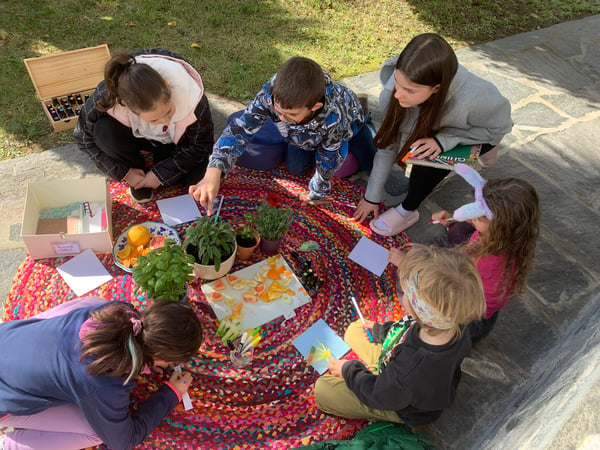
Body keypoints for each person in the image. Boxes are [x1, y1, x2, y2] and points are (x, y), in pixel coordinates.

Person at [353, 33, 513, 235]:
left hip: (481, 130)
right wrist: (371, 197)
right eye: (397, 83)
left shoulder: (479, 97)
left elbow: (499, 128)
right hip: (440, 129)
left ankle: (408, 210)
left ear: (437, 88)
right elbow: (388, 145)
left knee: (426, 158)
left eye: (410, 90)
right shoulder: (393, 93)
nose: (398, 95)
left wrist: (444, 141)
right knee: (421, 148)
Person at [314, 245, 486, 427]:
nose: (400, 292)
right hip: (401, 377)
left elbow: (376, 395)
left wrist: (348, 370)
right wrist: (382, 331)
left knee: (322, 390)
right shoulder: (453, 319)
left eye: (404, 290)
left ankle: (376, 377)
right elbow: (405, 329)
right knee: (355, 330)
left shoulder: (411, 368)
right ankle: (377, 372)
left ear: (417, 308)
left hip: (402, 406)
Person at [0, 297, 203, 450]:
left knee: (93, 302)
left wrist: (147, 361)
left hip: (7, 342)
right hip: (4, 400)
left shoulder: (119, 310)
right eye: (170, 361)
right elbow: (123, 441)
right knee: (97, 432)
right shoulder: (105, 383)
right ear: (160, 357)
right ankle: (10, 445)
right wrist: (169, 394)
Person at [189, 56, 376, 213]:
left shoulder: (336, 118)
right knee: (296, 168)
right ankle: (306, 134)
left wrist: (318, 190)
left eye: (291, 114)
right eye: (277, 111)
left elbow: (329, 156)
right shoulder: (272, 93)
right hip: (303, 131)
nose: (282, 118)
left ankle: (366, 120)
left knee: (369, 159)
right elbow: (240, 129)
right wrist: (214, 169)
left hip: (350, 124)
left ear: (315, 107)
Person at [391, 164, 540, 341]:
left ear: (499, 226)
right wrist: (452, 223)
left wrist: (407, 265)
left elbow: (450, 282)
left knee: (404, 277)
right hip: (470, 290)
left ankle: (420, 316)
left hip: (465, 319)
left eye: (477, 216)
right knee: (459, 230)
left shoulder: (489, 262)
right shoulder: (508, 237)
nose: (470, 217)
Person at [74, 49, 215, 204]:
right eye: (154, 120)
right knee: (103, 132)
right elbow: (83, 138)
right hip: (139, 139)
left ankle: (160, 169)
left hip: (176, 144)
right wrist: (125, 173)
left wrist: (159, 174)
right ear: (127, 107)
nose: (166, 122)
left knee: (200, 180)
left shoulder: (192, 97)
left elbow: (201, 146)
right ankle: (138, 172)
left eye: (169, 111)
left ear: (168, 86)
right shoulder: (106, 98)